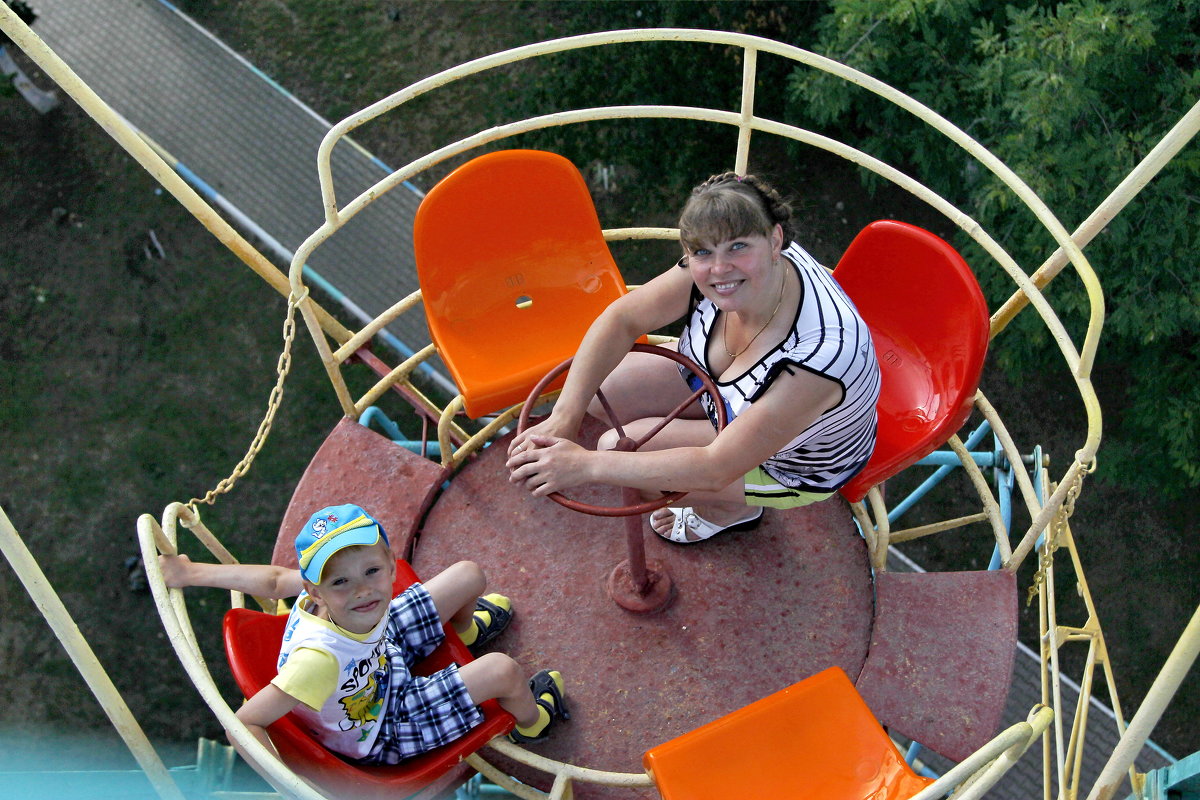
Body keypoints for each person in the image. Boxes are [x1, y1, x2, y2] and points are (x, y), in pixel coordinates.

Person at [506, 172, 880, 543]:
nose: (719, 270)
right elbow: (622, 319)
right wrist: (563, 419)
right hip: (725, 392)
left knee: (617, 451)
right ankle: (701, 456)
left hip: (788, 463)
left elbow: (716, 467)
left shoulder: (819, 356)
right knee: (606, 387)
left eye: (738, 247)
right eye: (703, 252)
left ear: (775, 239)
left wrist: (585, 466)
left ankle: (732, 511)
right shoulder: (737, 254)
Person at [159, 503, 568, 768]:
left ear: (391, 564)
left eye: (372, 572)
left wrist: (190, 573)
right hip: (381, 722)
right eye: (341, 582)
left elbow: (270, 580)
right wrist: (294, 787)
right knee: (502, 671)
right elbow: (243, 723)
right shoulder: (317, 662)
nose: (362, 591)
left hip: (377, 657)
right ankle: (531, 722)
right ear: (315, 590)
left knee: (468, 575)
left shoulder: (333, 602)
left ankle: (466, 631)